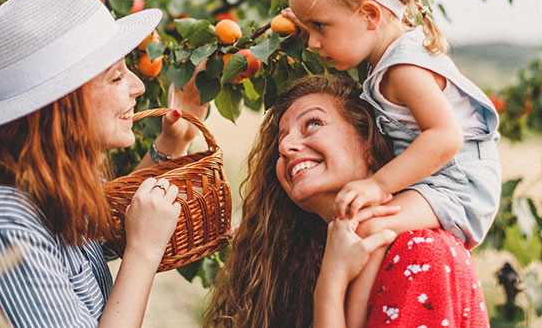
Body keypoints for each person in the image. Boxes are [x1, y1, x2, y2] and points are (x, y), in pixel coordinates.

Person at [0, 0, 208, 327]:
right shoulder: (2, 221)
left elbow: (108, 230)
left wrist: (172, 143)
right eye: (117, 76)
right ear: (62, 105)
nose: (138, 85)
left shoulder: (47, 171)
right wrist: (143, 253)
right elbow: (130, 237)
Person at [266, 0, 502, 325]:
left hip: (458, 187)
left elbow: (446, 137)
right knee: (365, 228)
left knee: (367, 226)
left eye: (319, 27)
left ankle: (354, 318)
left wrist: (377, 185)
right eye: (307, 28)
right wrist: (310, 15)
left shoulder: (404, 67)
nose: (313, 43)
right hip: (436, 181)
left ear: (371, 15)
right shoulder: (383, 59)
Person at [203, 74, 489, 327]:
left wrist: (331, 281)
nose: (285, 147)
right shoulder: (306, 267)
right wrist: (332, 275)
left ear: (369, 144)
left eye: (313, 123)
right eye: (281, 139)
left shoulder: (421, 251)